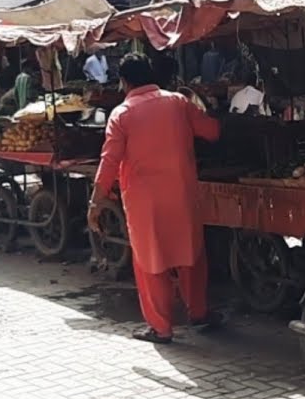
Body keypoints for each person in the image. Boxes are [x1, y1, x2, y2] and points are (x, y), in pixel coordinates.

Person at [89, 54, 221, 344]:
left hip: (144, 202)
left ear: (124, 82)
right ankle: (198, 312)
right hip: (182, 193)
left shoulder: (121, 114)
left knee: (151, 262)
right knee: (191, 255)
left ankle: (161, 328)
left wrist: (96, 203)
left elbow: (109, 162)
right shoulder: (178, 102)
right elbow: (211, 131)